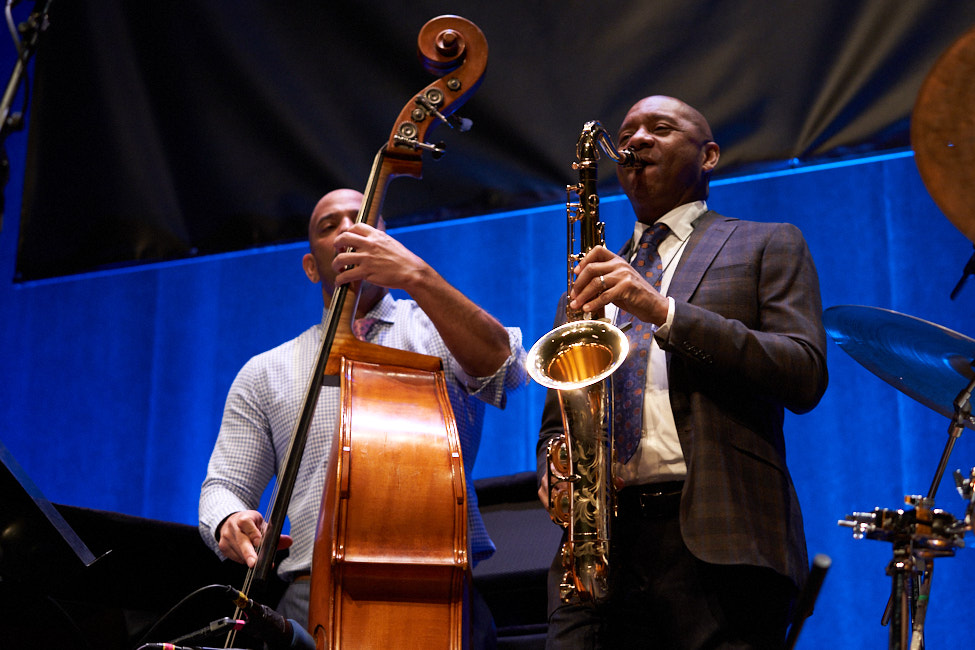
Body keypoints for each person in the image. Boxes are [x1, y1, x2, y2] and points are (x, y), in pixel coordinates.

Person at [536, 96, 828, 649]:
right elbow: (559, 420)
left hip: (721, 539)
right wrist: (552, 471)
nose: (638, 138)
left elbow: (804, 371)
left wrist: (663, 311)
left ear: (709, 155)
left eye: (661, 128)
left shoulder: (766, 243)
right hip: (600, 556)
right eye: (629, 131)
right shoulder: (589, 283)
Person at [200, 188, 527, 646]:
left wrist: (416, 275)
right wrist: (228, 519)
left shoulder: (436, 329)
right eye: (329, 226)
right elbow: (223, 487)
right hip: (312, 595)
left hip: (440, 594)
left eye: (362, 218)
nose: (347, 230)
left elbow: (507, 369)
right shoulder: (266, 372)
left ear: (384, 240)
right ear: (312, 265)